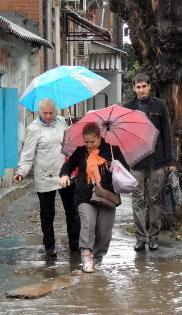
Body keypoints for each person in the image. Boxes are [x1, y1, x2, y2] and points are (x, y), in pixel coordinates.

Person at [59, 122, 129, 273]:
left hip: (107, 197)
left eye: (92, 142)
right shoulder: (80, 152)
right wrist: (65, 175)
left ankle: (97, 258)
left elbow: (126, 171)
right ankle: (86, 258)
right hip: (85, 196)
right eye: (86, 142)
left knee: (104, 233)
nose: (89, 145)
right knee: (87, 224)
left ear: (99, 138)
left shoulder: (112, 151)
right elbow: (67, 166)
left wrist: (116, 168)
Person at [13, 98, 80, 256]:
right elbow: (27, 153)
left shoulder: (62, 122)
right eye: (45, 113)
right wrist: (21, 172)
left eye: (51, 113)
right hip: (45, 175)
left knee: (72, 210)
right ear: (39, 112)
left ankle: (75, 244)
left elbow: (70, 144)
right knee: (47, 213)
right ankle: (50, 246)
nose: (49, 116)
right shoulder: (33, 129)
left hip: (65, 173)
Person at [123, 73, 175, 251]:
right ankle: (140, 238)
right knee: (137, 200)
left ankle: (153, 237)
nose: (141, 90)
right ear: (134, 88)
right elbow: (125, 136)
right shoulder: (128, 108)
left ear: (149, 87)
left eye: (144, 86)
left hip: (157, 159)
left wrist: (170, 160)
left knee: (154, 200)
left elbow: (166, 134)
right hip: (136, 160)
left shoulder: (159, 106)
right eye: (138, 87)